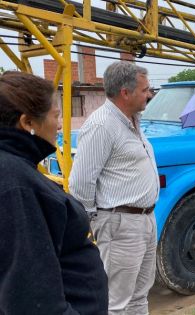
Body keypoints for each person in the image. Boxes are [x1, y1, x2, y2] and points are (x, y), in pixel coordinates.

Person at [0, 71, 108, 314]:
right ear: (27, 122)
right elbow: (32, 299)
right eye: (56, 115)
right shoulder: (16, 186)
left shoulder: (16, 169)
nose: (59, 125)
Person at [70, 61, 159, 314]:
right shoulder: (101, 125)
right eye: (145, 90)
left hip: (144, 220)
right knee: (116, 302)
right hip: (120, 224)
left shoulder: (133, 121)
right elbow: (80, 182)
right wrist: (94, 222)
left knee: (140, 295)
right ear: (125, 93)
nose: (149, 94)